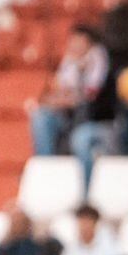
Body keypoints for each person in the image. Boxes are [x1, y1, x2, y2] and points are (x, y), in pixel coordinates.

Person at [30, 24, 109, 156]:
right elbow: (58, 90)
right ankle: (45, 163)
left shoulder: (98, 58)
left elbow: (89, 96)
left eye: (78, 40)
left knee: (80, 137)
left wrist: (65, 99)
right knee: (41, 116)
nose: (73, 45)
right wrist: (59, 99)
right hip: (68, 116)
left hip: (93, 119)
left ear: (89, 42)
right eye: (72, 40)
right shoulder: (69, 60)